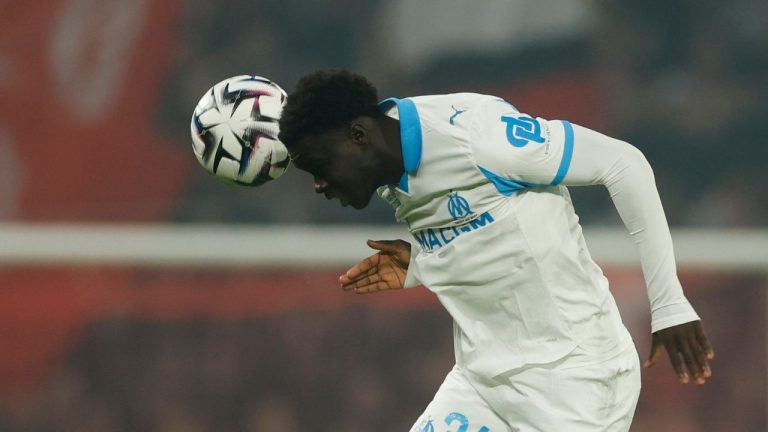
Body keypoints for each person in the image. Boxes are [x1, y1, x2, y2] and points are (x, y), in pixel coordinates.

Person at [277, 70, 713, 432]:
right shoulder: (386, 163)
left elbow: (624, 164)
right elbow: (490, 223)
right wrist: (426, 265)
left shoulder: (476, 135)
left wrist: (670, 304)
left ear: (357, 135)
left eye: (319, 166)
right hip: (483, 383)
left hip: (576, 382)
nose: (318, 184)